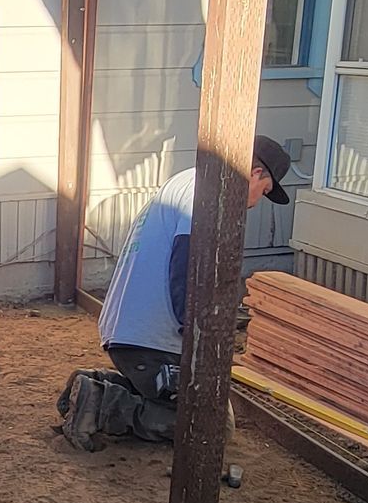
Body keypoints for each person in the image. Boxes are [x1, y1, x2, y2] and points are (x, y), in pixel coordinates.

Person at [57, 137, 292, 447]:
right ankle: (102, 403)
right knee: (213, 427)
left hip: (131, 333)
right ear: (255, 172)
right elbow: (188, 263)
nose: (253, 203)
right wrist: (197, 330)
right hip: (150, 341)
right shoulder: (206, 191)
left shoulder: (187, 180)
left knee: (194, 406)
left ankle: (96, 385)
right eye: (261, 192)